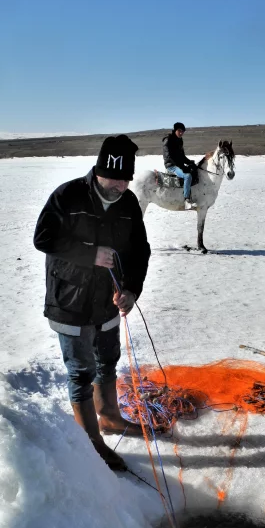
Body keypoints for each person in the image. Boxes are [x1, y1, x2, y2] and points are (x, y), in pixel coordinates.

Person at [34, 135, 151, 472]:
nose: (120, 185)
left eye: (126, 178)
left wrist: (131, 290)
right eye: (114, 178)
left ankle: (110, 416)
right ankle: (92, 444)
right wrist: (89, 255)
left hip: (107, 300)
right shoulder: (68, 196)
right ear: (99, 170)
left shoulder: (128, 203)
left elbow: (138, 251)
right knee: (81, 371)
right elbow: (43, 238)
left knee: (108, 361)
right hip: (69, 300)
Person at [162, 122, 197, 209]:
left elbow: (182, 156)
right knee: (187, 176)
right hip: (171, 166)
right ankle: (186, 200)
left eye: (183, 131)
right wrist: (181, 167)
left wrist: (189, 162)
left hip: (179, 165)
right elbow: (168, 156)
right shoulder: (168, 140)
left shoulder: (180, 140)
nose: (181, 133)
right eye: (179, 131)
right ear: (175, 130)